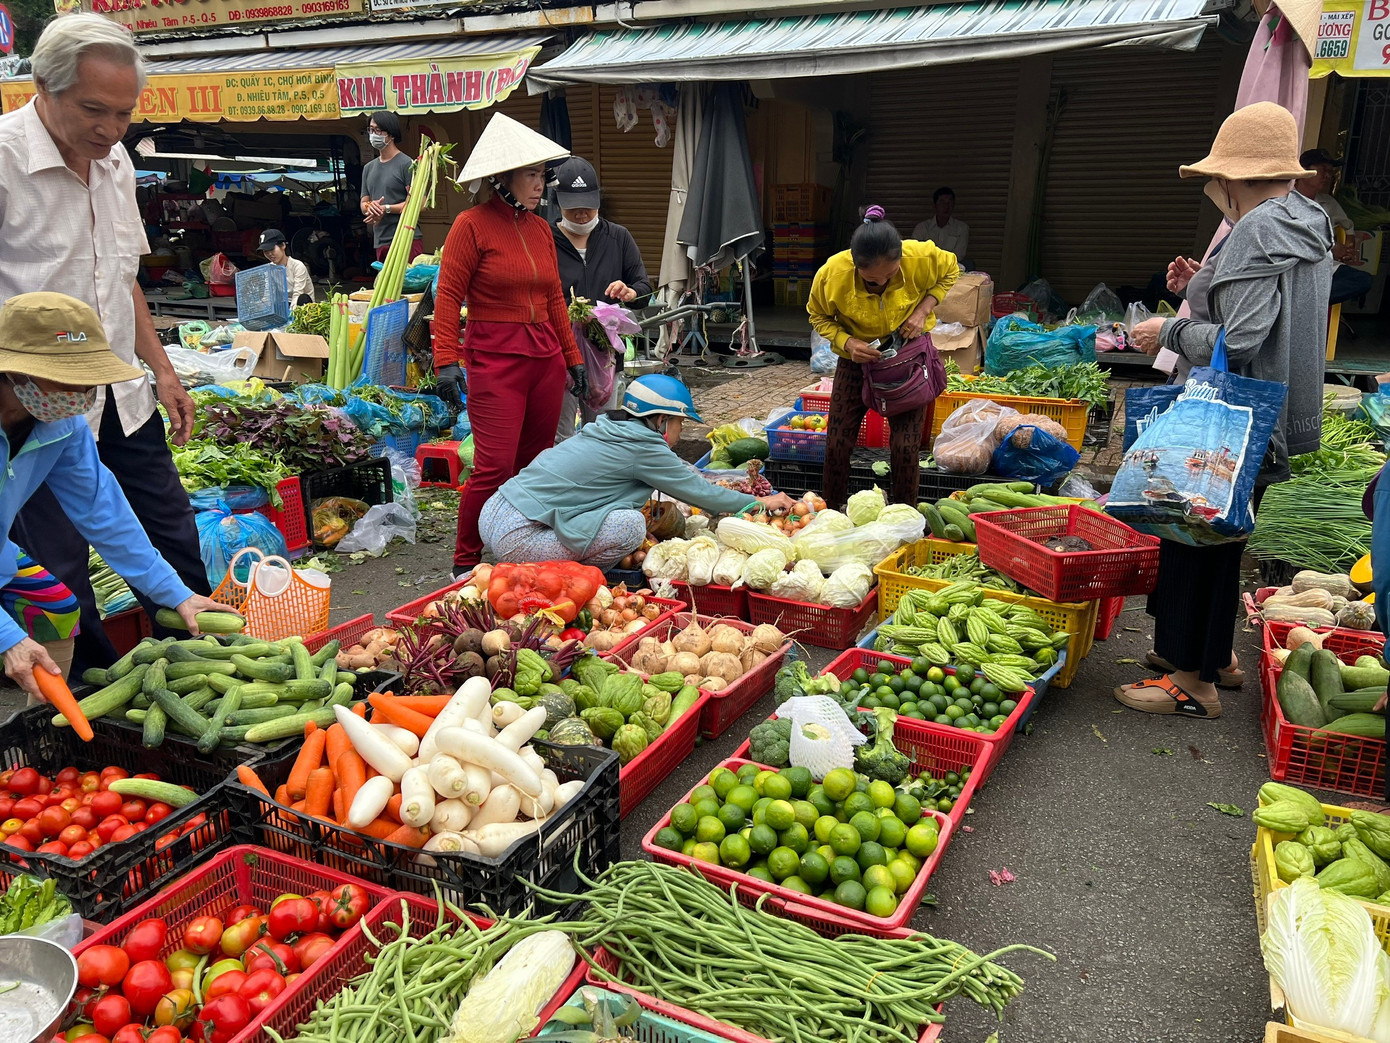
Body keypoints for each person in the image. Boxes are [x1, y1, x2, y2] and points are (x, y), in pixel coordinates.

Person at [0, 14, 210, 673]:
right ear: (44, 86)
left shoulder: (116, 163)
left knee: (167, 531)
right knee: (53, 574)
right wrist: (8, 643)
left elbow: (123, 281)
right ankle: (80, 697)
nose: (112, 130)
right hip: (26, 396)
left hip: (104, 392)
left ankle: (194, 668)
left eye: (124, 113)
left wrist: (162, 370)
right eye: (96, 110)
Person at [1122, 102, 1332, 719]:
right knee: (1224, 538)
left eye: (1218, 181)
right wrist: (1201, 284)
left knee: (1194, 537)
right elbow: (1267, 313)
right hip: (1272, 416)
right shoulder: (1306, 218)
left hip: (1228, 421)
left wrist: (1168, 329)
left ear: (1236, 178)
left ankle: (1192, 682)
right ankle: (1214, 660)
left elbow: (1237, 343)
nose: (1216, 190)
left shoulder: (1255, 230)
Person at [0, 292, 231, 703]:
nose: (83, 392)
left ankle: (50, 724)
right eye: (68, 378)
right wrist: (6, 638)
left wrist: (173, 593)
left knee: (54, 605)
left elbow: (101, 510)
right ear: (14, 374)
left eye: (88, 378)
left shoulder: (61, 424)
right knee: (11, 641)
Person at [434, 113, 588, 579]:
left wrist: (573, 357)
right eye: (531, 175)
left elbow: (554, 298)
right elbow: (448, 296)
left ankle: (516, 550)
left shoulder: (542, 229)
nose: (541, 185)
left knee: (533, 465)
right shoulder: (471, 225)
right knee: (494, 466)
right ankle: (465, 560)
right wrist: (446, 360)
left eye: (543, 175)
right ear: (502, 178)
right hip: (494, 360)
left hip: (544, 360)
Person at [481, 375, 794, 567]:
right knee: (630, 526)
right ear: (659, 421)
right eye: (680, 422)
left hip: (495, 511)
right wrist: (758, 502)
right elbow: (699, 493)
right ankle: (584, 578)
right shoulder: (644, 447)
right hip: (517, 536)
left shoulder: (607, 428)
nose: (681, 431)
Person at [808, 206, 957, 510]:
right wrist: (846, 341)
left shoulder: (921, 257)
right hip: (856, 362)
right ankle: (831, 511)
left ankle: (904, 514)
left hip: (908, 359)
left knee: (905, 446)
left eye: (891, 274)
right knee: (837, 442)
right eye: (872, 280)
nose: (884, 283)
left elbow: (952, 270)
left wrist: (922, 310)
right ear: (855, 266)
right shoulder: (832, 275)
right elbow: (817, 315)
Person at [550, 156, 652, 441]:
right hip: (559, 355)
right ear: (558, 203)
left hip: (604, 355)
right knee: (560, 436)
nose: (582, 214)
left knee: (604, 433)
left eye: (588, 206)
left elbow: (643, 286)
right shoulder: (545, 239)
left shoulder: (618, 237)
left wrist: (631, 292)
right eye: (573, 208)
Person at [1296, 148, 1374, 306]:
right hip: (1298, 265)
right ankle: (1301, 303)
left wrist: (1348, 249)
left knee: (1363, 280)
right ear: (1303, 171)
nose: (1327, 176)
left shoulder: (1328, 203)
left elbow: (1348, 226)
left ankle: (1302, 303)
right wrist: (1329, 248)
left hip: (1326, 266)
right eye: (1323, 170)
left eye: (1330, 172)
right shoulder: (1285, 201)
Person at [360, 111, 419, 264]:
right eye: (371, 130)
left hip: (406, 237)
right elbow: (363, 203)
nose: (373, 134)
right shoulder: (368, 168)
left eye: (378, 130)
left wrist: (385, 208)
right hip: (380, 239)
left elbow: (420, 203)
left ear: (391, 134)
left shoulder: (407, 164)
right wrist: (370, 207)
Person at [911, 188, 969, 267]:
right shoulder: (922, 228)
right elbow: (914, 252)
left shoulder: (962, 228)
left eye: (949, 202)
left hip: (951, 269)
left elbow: (959, 255)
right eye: (942, 202)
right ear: (935, 205)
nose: (946, 206)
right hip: (925, 268)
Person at [256, 229, 315, 306]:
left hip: (301, 305)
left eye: (272, 249)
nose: (269, 254)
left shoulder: (297, 266)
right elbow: (268, 295)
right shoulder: (269, 268)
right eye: (265, 251)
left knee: (302, 298)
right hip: (283, 305)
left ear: (283, 245)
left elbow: (297, 293)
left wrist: (291, 315)